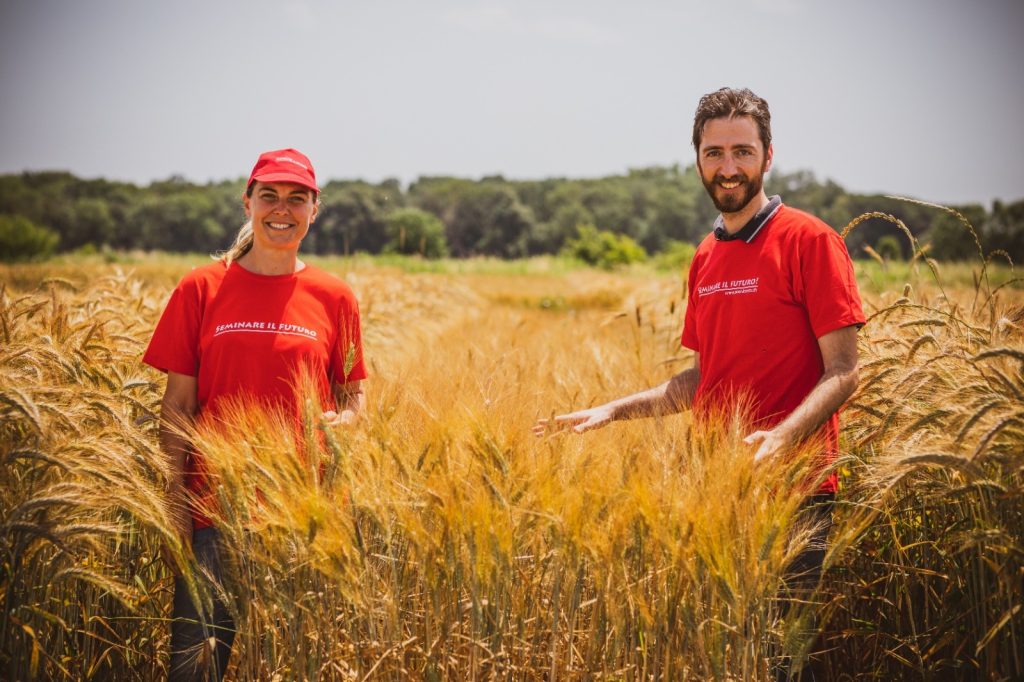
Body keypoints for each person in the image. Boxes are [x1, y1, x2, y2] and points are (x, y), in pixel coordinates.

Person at [534, 87, 865, 678]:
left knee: (783, 657)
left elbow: (844, 371)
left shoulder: (810, 240)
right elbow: (705, 378)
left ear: (768, 155)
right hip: (717, 490)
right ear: (697, 160)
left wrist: (782, 439)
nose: (728, 167)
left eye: (742, 150)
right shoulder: (705, 256)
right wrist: (610, 411)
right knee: (730, 654)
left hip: (797, 489)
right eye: (714, 152)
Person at [143, 148, 367, 681]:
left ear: (316, 209)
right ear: (248, 202)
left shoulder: (335, 297)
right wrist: (175, 502)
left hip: (304, 517)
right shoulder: (201, 287)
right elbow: (177, 405)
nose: (282, 209)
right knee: (196, 670)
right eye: (269, 195)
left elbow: (356, 397)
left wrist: (348, 423)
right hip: (212, 517)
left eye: (297, 198)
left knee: (291, 667)